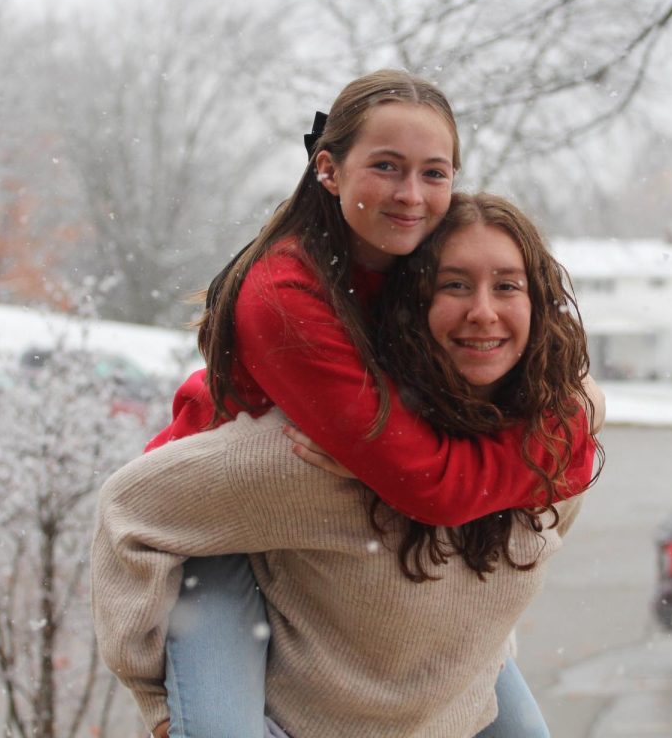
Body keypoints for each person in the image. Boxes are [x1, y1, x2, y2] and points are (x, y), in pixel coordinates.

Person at [137, 70, 601, 736]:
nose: (411, 194)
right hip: (227, 530)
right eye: (386, 167)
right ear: (328, 168)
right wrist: (547, 457)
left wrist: (556, 441)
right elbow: (431, 484)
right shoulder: (285, 294)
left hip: (354, 533)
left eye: (433, 172)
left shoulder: (416, 261)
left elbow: (532, 427)